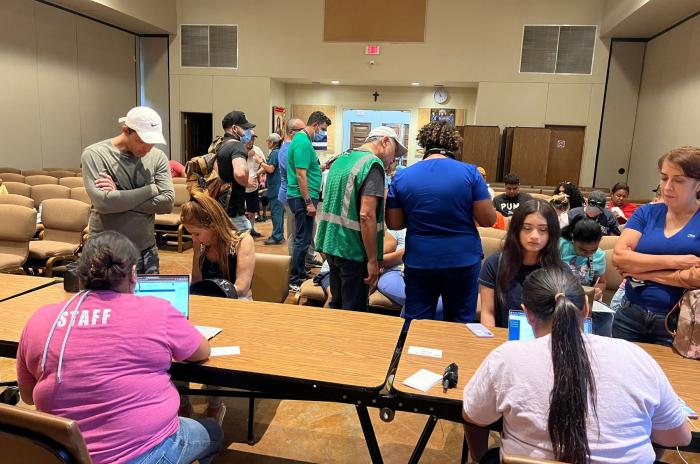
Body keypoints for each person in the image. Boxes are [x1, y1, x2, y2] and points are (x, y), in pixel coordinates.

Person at [16, 231, 222, 464]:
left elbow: (27, 396)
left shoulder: (40, 319)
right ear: (134, 274)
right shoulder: (158, 310)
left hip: (61, 455)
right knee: (213, 432)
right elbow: (201, 352)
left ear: (79, 275)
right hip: (145, 452)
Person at [462, 267, 691, 464]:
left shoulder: (506, 358)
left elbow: (473, 415)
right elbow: (679, 438)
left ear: (527, 314)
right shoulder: (636, 357)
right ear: (586, 310)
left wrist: (478, 456)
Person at [386, 121, 496, 326]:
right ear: (453, 144)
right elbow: (488, 220)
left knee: (418, 323)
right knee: (459, 323)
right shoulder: (470, 173)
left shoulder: (402, 176)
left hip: (420, 259)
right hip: (462, 259)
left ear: (424, 144)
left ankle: (418, 358)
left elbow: (394, 223)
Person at [612, 146, 700, 345]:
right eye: (664, 177)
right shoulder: (647, 213)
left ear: (698, 184)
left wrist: (643, 272)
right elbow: (620, 257)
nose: (667, 186)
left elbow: (697, 277)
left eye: (678, 180)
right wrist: (678, 262)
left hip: (680, 321)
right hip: (629, 313)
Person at [316, 126, 406, 311]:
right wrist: (373, 260)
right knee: (353, 313)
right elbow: (366, 215)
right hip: (353, 250)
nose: (393, 160)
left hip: (331, 245)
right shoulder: (372, 164)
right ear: (385, 142)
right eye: (394, 153)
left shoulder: (342, 159)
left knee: (337, 304)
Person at [81, 106, 174, 274]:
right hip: (104, 252)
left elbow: (166, 203)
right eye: (142, 141)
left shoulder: (157, 157)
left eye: (152, 142)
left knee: (145, 300)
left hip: (145, 249)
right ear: (126, 130)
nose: (147, 148)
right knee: (104, 300)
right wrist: (151, 189)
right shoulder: (95, 154)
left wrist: (119, 195)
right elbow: (103, 203)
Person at [479, 199, 564, 328]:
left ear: (551, 233)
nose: (535, 236)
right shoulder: (495, 263)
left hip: (545, 341)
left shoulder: (561, 269)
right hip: (504, 339)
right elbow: (488, 312)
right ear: (516, 230)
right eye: (527, 228)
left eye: (542, 230)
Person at [181, 189, 255, 300]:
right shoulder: (199, 244)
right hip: (208, 300)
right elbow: (197, 281)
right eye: (191, 234)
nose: (194, 239)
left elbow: (241, 288)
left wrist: (209, 297)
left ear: (213, 226)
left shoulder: (243, 241)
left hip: (237, 302)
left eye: (197, 233)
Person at [287, 111, 331, 291]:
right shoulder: (303, 142)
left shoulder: (304, 142)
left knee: (304, 238)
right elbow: (300, 174)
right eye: (322, 129)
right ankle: (295, 279)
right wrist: (308, 202)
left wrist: (323, 166)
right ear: (315, 125)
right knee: (302, 239)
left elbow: (308, 168)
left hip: (304, 195)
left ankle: (300, 271)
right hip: (301, 197)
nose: (323, 133)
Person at [215, 110, 256, 232]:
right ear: (234, 128)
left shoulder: (220, 145)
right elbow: (239, 173)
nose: (246, 131)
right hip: (233, 207)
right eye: (243, 128)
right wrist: (247, 182)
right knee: (242, 241)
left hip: (222, 204)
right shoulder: (237, 146)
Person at [559, 215, 606, 301]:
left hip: (584, 300)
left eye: (593, 250)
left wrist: (597, 292)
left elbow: (601, 282)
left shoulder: (599, 255)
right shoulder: (560, 246)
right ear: (572, 237)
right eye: (583, 249)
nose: (588, 253)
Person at [258, 133, 284, 244]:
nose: (267, 143)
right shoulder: (280, 152)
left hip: (275, 189)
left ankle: (277, 236)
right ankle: (280, 235)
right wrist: (258, 173)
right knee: (279, 212)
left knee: (276, 213)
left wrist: (259, 162)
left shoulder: (274, 153)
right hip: (279, 188)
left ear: (272, 143)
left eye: (268, 141)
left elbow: (270, 169)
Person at [244, 130, 264, 238]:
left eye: (253, 138)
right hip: (241, 186)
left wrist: (258, 173)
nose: (251, 141)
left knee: (252, 210)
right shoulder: (239, 150)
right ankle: (243, 231)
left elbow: (264, 164)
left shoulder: (257, 150)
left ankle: (251, 229)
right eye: (249, 138)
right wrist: (247, 155)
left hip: (253, 186)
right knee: (242, 211)